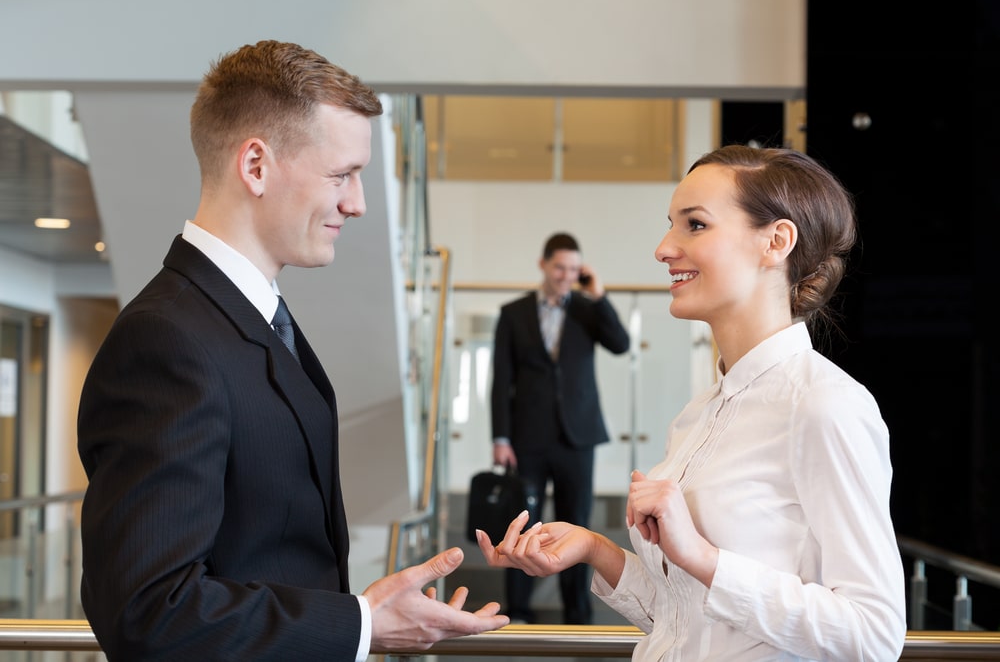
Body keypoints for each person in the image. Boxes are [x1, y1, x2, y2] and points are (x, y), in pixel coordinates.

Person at [76, 40, 508, 661]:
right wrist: (361, 624)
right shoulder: (167, 339)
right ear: (255, 165)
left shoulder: (248, 316)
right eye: (342, 175)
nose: (356, 203)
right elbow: (149, 611)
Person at [478, 145, 907, 660]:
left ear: (776, 241)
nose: (663, 248)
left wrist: (703, 557)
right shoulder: (695, 416)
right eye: (670, 225)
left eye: (695, 225)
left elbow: (874, 635)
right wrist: (596, 549)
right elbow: (686, 620)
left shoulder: (824, 406)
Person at [490, 232, 630, 624]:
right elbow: (501, 379)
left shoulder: (588, 309)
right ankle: (517, 613)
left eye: (573, 269)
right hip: (526, 440)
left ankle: (577, 614)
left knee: (577, 527)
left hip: (577, 438)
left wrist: (599, 296)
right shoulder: (513, 312)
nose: (566, 276)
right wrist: (500, 437)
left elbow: (620, 344)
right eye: (559, 268)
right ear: (543, 265)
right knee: (520, 527)